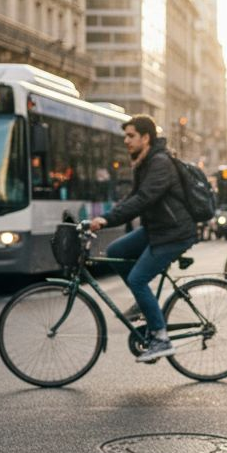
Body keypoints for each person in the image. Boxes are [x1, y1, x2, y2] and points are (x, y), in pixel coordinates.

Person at [87, 114, 197, 363]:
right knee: (116, 251)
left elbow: (143, 199)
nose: (126, 140)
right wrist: (105, 217)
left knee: (137, 279)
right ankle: (143, 305)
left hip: (174, 232)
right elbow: (132, 197)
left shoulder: (160, 162)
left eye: (130, 135)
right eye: (125, 135)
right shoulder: (144, 161)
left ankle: (161, 338)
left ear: (146, 137)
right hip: (157, 229)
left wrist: (106, 220)